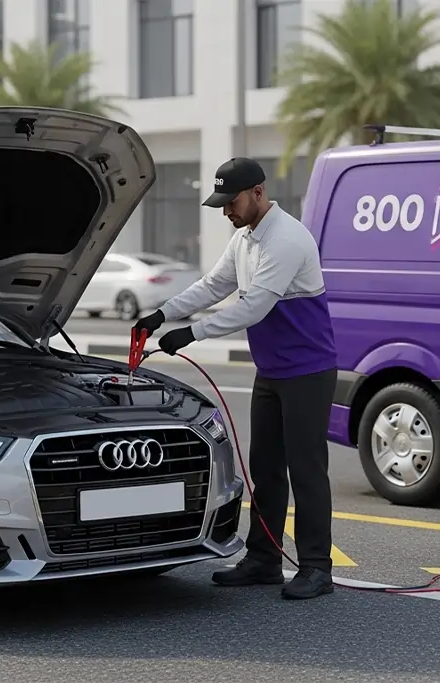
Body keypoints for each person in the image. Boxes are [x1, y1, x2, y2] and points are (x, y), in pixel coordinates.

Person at [133, 157, 338, 600]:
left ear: (259, 193)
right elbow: (213, 285)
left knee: (305, 471)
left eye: (232, 201)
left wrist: (189, 334)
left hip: (307, 371)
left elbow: (253, 307)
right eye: (222, 203)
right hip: (272, 370)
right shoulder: (245, 238)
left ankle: (318, 568)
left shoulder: (286, 239)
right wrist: (162, 314)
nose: (226, 211)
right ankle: (264, 560)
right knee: (265, 469)